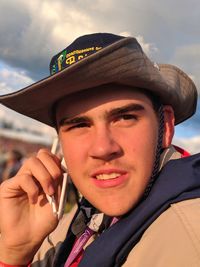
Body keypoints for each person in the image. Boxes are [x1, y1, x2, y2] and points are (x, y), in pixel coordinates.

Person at [0, 33, 199, 267]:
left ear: (165, 126)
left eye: (125, 117)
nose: (103, 148)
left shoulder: (188, 237)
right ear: (59, 142)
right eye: (79, 125)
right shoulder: (81, 217)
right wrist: (16, 250)